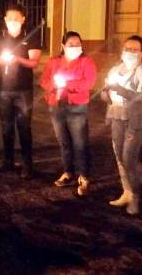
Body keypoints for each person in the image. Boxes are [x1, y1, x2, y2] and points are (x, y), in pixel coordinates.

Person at [101, 35, 142, 215]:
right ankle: (127, 192)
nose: (130, 52)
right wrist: (106, 94)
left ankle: (136, 198)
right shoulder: (115, 70)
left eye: (135, 49)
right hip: (117, 114)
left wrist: (120, 90)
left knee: (129, 158)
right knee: (119, 156)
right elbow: (106, 94)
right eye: (127, 48)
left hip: (138, 118)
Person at [0, 4, 42, 180]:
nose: (13, 22)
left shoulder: (31, 35)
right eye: (9, 18)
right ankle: (8, 161)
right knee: (6, 127)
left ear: (23, 20)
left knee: (24, 128)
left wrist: (17, 59)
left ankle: (28, 165)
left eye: (16, 19)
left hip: (23, 90)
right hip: (2, 89)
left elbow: (34, 62)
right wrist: (3, 60)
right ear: (4, 20)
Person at [40, 31, 96, 195]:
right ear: (63, 46)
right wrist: (54, 84)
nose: (75, 47)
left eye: (78, 44)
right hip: (56, 105)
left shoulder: (86, 61)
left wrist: (68, 84)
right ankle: (68, 172)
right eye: (71, 44)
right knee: (64, 141)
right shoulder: (54, 61)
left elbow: (89, 82)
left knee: (80, 143)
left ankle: (84, 175)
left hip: (77, 107)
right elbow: (44, 80)